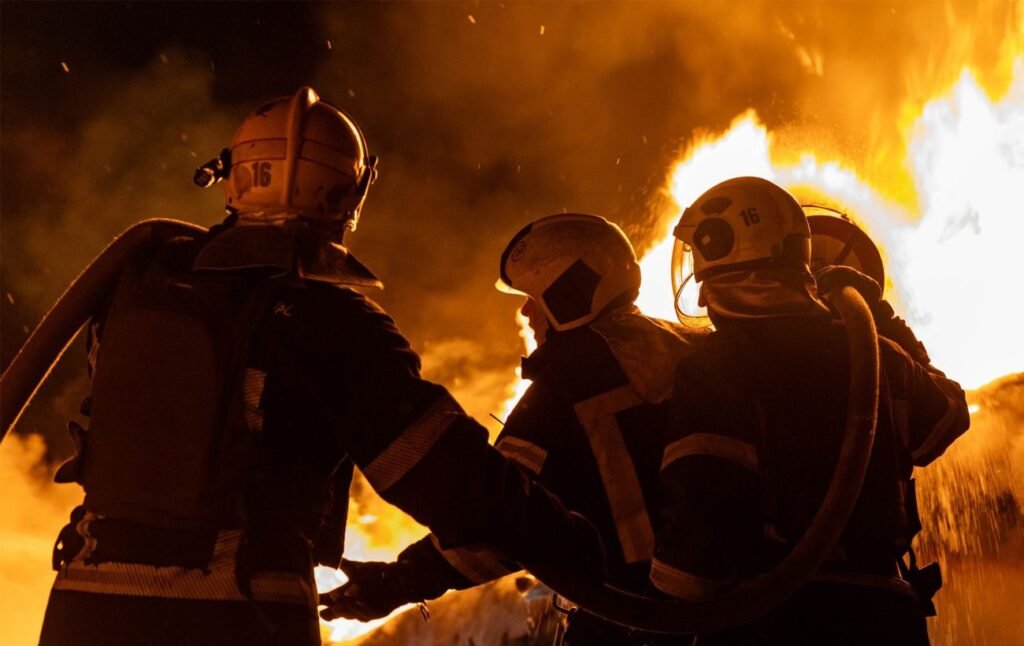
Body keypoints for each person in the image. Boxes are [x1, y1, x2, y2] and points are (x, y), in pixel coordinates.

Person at [37, 88, 603, 646]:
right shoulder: (333, 324)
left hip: (83, 612)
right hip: (234, 619)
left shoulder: (138, 290)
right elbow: (452, 482)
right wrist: (571, 543)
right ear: (349, 195)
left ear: (233, 176)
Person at [320, 213, 705, 645]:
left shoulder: (561, 392)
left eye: (534, 297)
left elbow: (495, 522)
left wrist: (394, 583)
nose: (525, 311)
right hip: (719, 612)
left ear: (569, 292)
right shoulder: (692, 347)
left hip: (631, 618)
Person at [651, 176, 970, 644]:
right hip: (886, 617)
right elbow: (947, 419)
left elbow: (695, 565)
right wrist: (881, 318)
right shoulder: (876, 354)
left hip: (772, 620)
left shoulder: (714, 369)